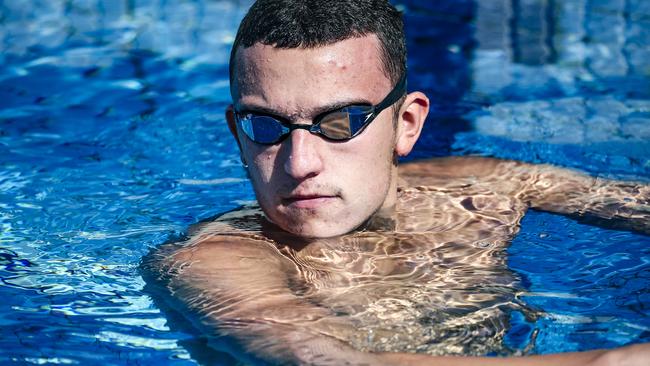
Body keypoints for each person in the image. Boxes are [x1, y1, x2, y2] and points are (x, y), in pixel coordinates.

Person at [142, 0, 650, 364]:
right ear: (237, 133)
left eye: (340, 122)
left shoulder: (484, 190)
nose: (299, 164)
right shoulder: (215, 260)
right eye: (266, 126)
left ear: (407, 124)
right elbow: (323, 360)